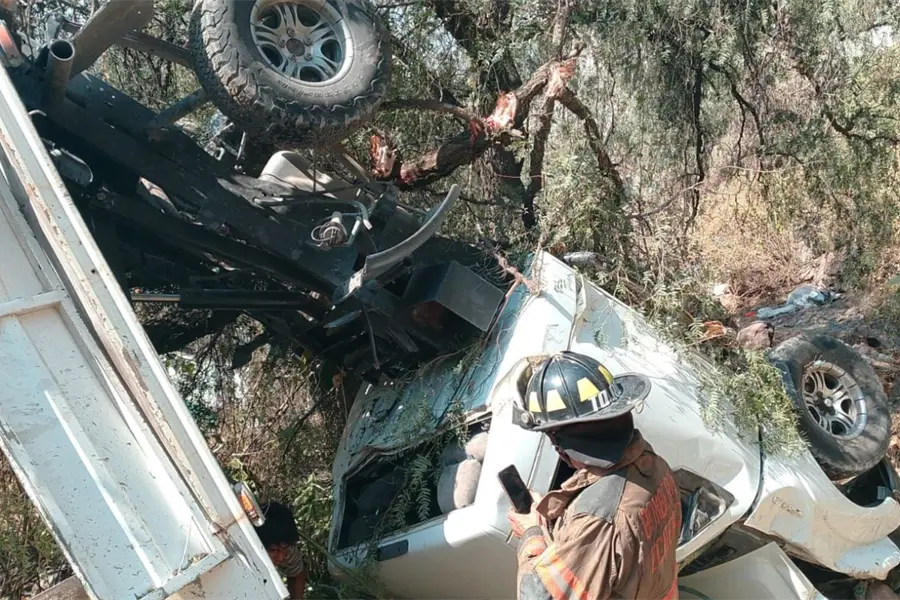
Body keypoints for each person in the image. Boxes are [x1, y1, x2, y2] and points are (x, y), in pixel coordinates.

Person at [507, 351, 681, 600]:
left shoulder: (598, 515)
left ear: (560, 443)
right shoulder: (653, 465)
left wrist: (532, 534)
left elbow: (540, 596)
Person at [254, 500, 308, 600]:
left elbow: (296, 574)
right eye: (273, 550)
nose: (281, 558)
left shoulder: (287, 548)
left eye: (285, 550)